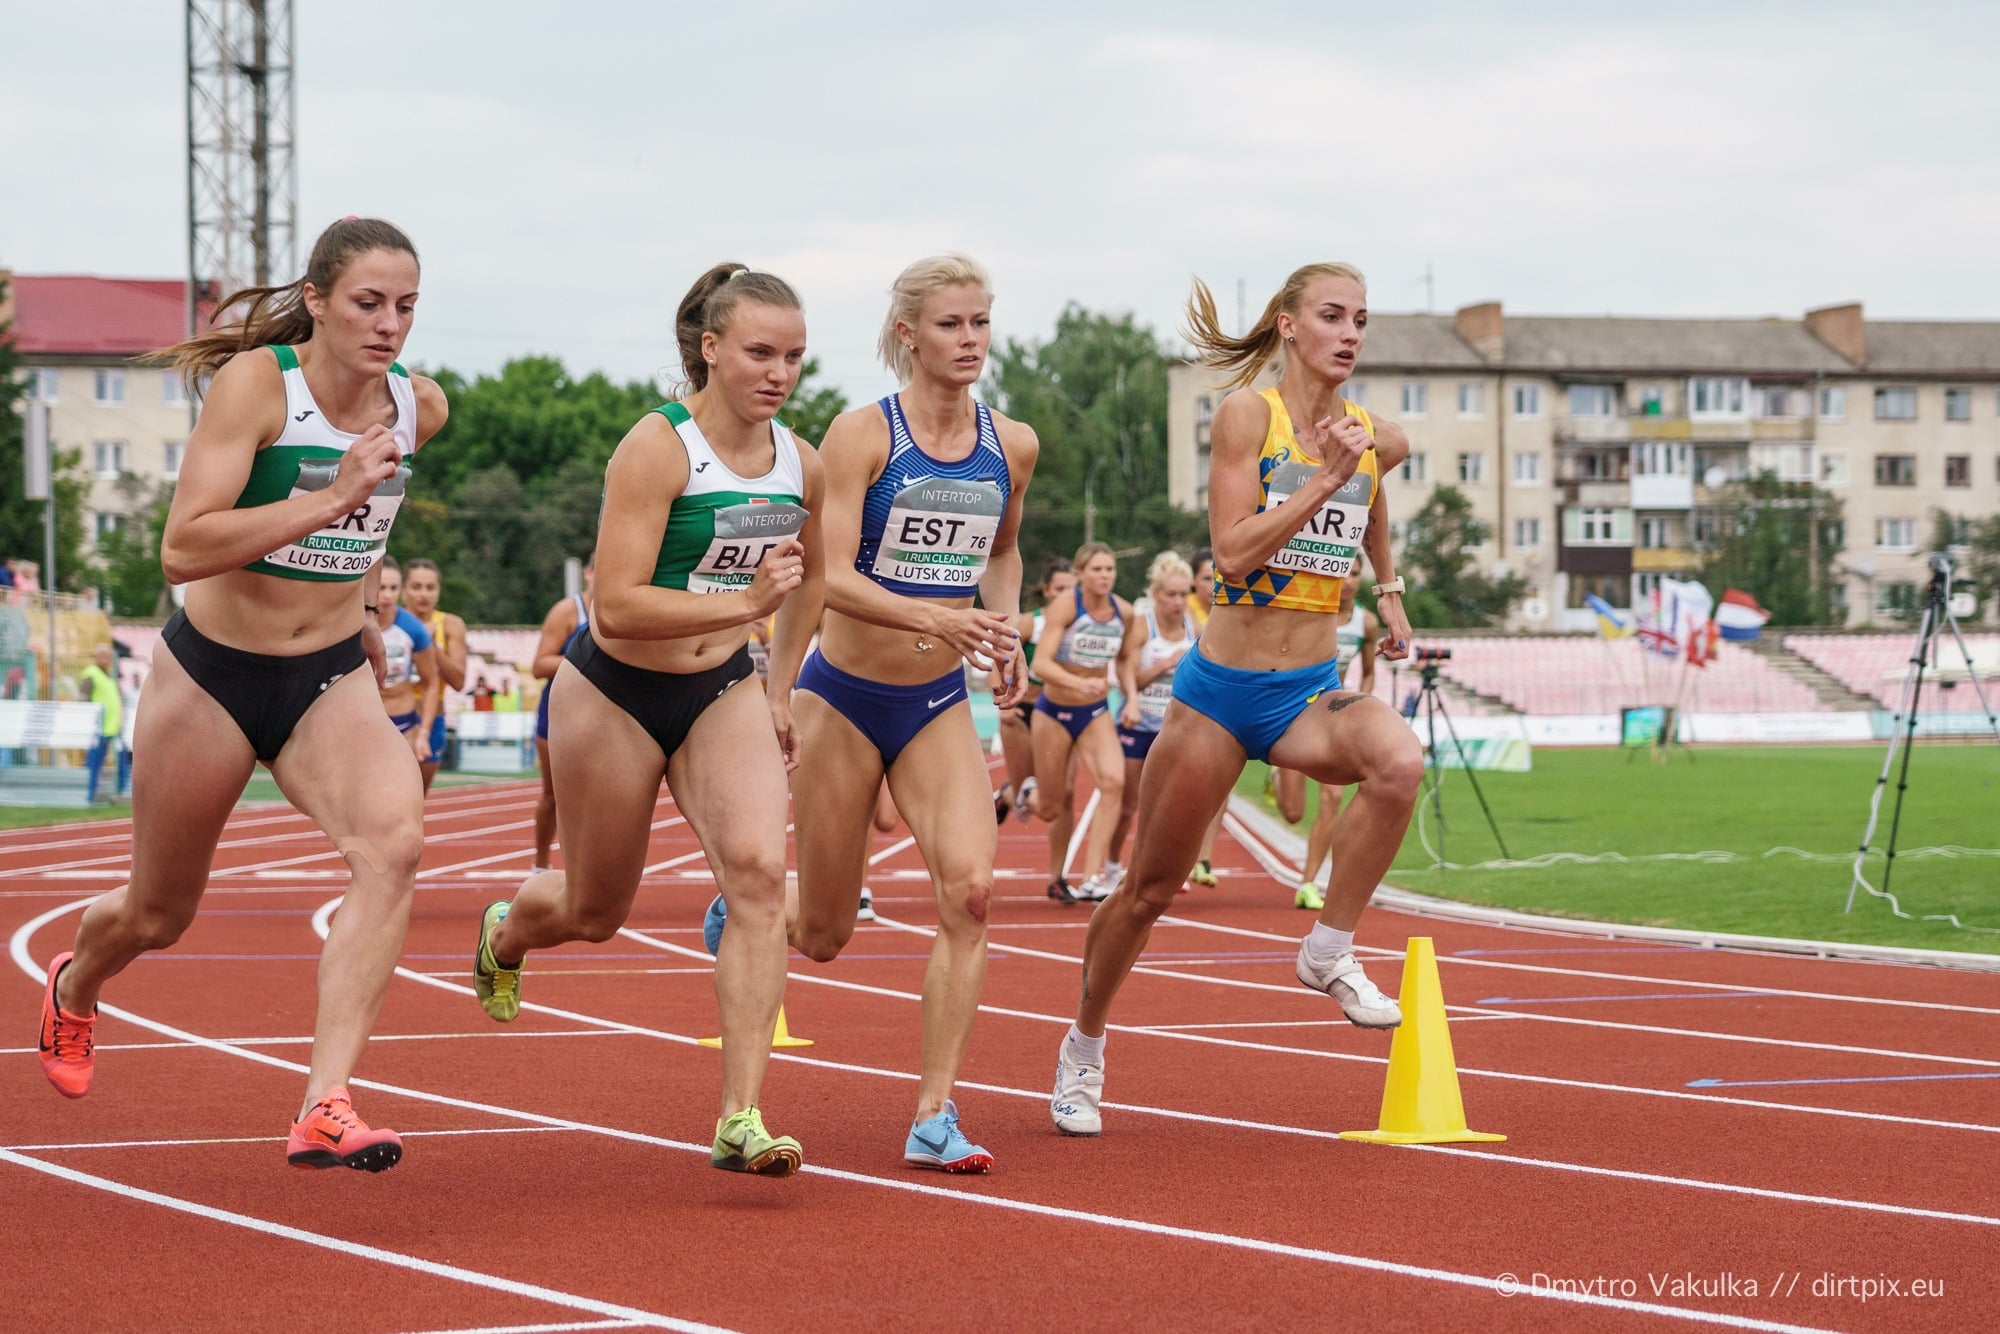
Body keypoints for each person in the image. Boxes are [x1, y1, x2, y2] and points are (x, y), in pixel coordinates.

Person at [35, 217, 447, 1171]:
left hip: (328, 676)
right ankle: (77, 984)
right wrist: (329, 499)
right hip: (213, 674)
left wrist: (364, 598)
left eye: (407, 306)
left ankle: (325, 1102)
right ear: (316, 300)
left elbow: (372, 515)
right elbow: (183, 547)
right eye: (367, 303)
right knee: (159, 914)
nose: (389, 324)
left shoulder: (420, 405)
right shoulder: (259, 387)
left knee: (395, 844)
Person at [1051, 262, 1422, 1139]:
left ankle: (1327, 949)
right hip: (1218, 697)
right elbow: (1233, 553)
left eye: (1361, 319)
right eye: (1332, 315)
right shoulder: (1250, 416)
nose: (1351, 332)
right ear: (1289, 325)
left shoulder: (1374, 434)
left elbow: (1373, 488)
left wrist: (1391, 584)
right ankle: (1083, 1046)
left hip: (1307, 692)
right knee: (1147, 892)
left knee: (1399, 761)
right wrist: (1322, 480)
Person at [473, 264, 822, 1178]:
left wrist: (779, 684)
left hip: (720, 689)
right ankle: (508, 930)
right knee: (595, 910)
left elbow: (810, 579)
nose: (778, 372)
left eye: (793, 356)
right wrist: (742, 601)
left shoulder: (800, 462)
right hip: (614, 690)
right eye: (758, 352)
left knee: (757, 874)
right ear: (710, 349)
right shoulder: (658, 448)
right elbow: (617, 606)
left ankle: (740, 1115)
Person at [720, 252, 1035, 1174]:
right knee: (823, 935)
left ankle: (934, 1115)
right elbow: (829, 577)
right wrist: (930, 616)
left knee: (972, 893)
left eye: (980, 323)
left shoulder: (1010, 444)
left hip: (937, 700)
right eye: (950, 325)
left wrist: (1005, 624)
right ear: (908, 335)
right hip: (844, 697)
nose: (970, 340)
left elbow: (1007, 550)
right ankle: (756, 910)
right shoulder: (863, 436)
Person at [1030, 543, 1131, 903]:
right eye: (1097, 569)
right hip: (1054, 712)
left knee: (1113, 782)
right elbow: (1040, 664)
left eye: (1109, 569)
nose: (1104, 576)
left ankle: (1091, 878)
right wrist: (1077, 683)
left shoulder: (1125, 612)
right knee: (1051, 807)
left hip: (1095, 712)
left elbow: (1126, 661)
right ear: (1080, 574)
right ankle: (1027, 794)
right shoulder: (1067, 605)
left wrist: (1131, 697)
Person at [1104, 552, 1197, 883]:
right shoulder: (1143, 628)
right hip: (1138, 725)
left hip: (1175, 730)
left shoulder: (1194, 629)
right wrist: (1163, 665)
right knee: (1129, 806)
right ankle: (1113, 866)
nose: (1177, 601)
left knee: (1170, 807)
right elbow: (1130, 675)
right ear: (1155, 594)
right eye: (1170, 594)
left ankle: (1160, 871)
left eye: (1183, 594)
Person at [1295, 571, 1381, 910]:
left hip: (1333, 716)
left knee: (1332, 797)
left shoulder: (1367, 623)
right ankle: (1278, 776)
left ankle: (1308, 883)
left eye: (1355, 574)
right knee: (1291, 811)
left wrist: (1361, 702)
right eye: (1343, 573)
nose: (1347, 581)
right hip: (1297, 711)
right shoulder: (1312, 612)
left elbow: (1370, 670)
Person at [996, 557, 1074, 824]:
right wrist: (1003, 703)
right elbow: (997, 663)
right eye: (1059, 588)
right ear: (1046, 589)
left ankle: (1007, 793)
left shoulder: (1078, 625)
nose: (1064, 595)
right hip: (1022, 713)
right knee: (1027, 802)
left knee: (1058, 797)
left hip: (1056, 714)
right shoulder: (1031, 623)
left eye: (1070, 589)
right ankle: (1008, 794)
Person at [528, 559, 594, 870]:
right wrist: (589, 661)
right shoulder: (569, 612)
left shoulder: (627, 612)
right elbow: (539, 664)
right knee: (554, 796)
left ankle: (582, 868)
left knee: (598, 798)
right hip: (558, 713)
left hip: (603, 716)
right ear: (589, 573)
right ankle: (541, 865)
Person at [401, 557, 467, 793]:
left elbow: (459, 681)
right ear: (403, 590)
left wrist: (430, 645)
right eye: (416, 586)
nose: (423, 594)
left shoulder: (450, 625)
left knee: (418, 798)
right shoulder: (392, 621)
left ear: (438, 591)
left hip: (433, 719)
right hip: (395, 716)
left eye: (430, 587)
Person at [373, 558, 442, 767]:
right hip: (365, 718)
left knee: (401, 795)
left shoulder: (413, 629)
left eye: (393, 588)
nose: (387, 595)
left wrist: (424, 733)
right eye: (381, 587)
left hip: (403, 720)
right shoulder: (351, 624)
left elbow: (431, 683)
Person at [77, 643, 125, 803]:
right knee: (96, 763)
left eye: (109, 657)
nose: (107, 660)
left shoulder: (109, 676)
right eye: (104, 656)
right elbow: (83, 698)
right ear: (97, 657)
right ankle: (91, 795)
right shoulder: (91, 674)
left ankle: (120, 792)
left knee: (121, 760)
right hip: (99, 728)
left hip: (113, 726)